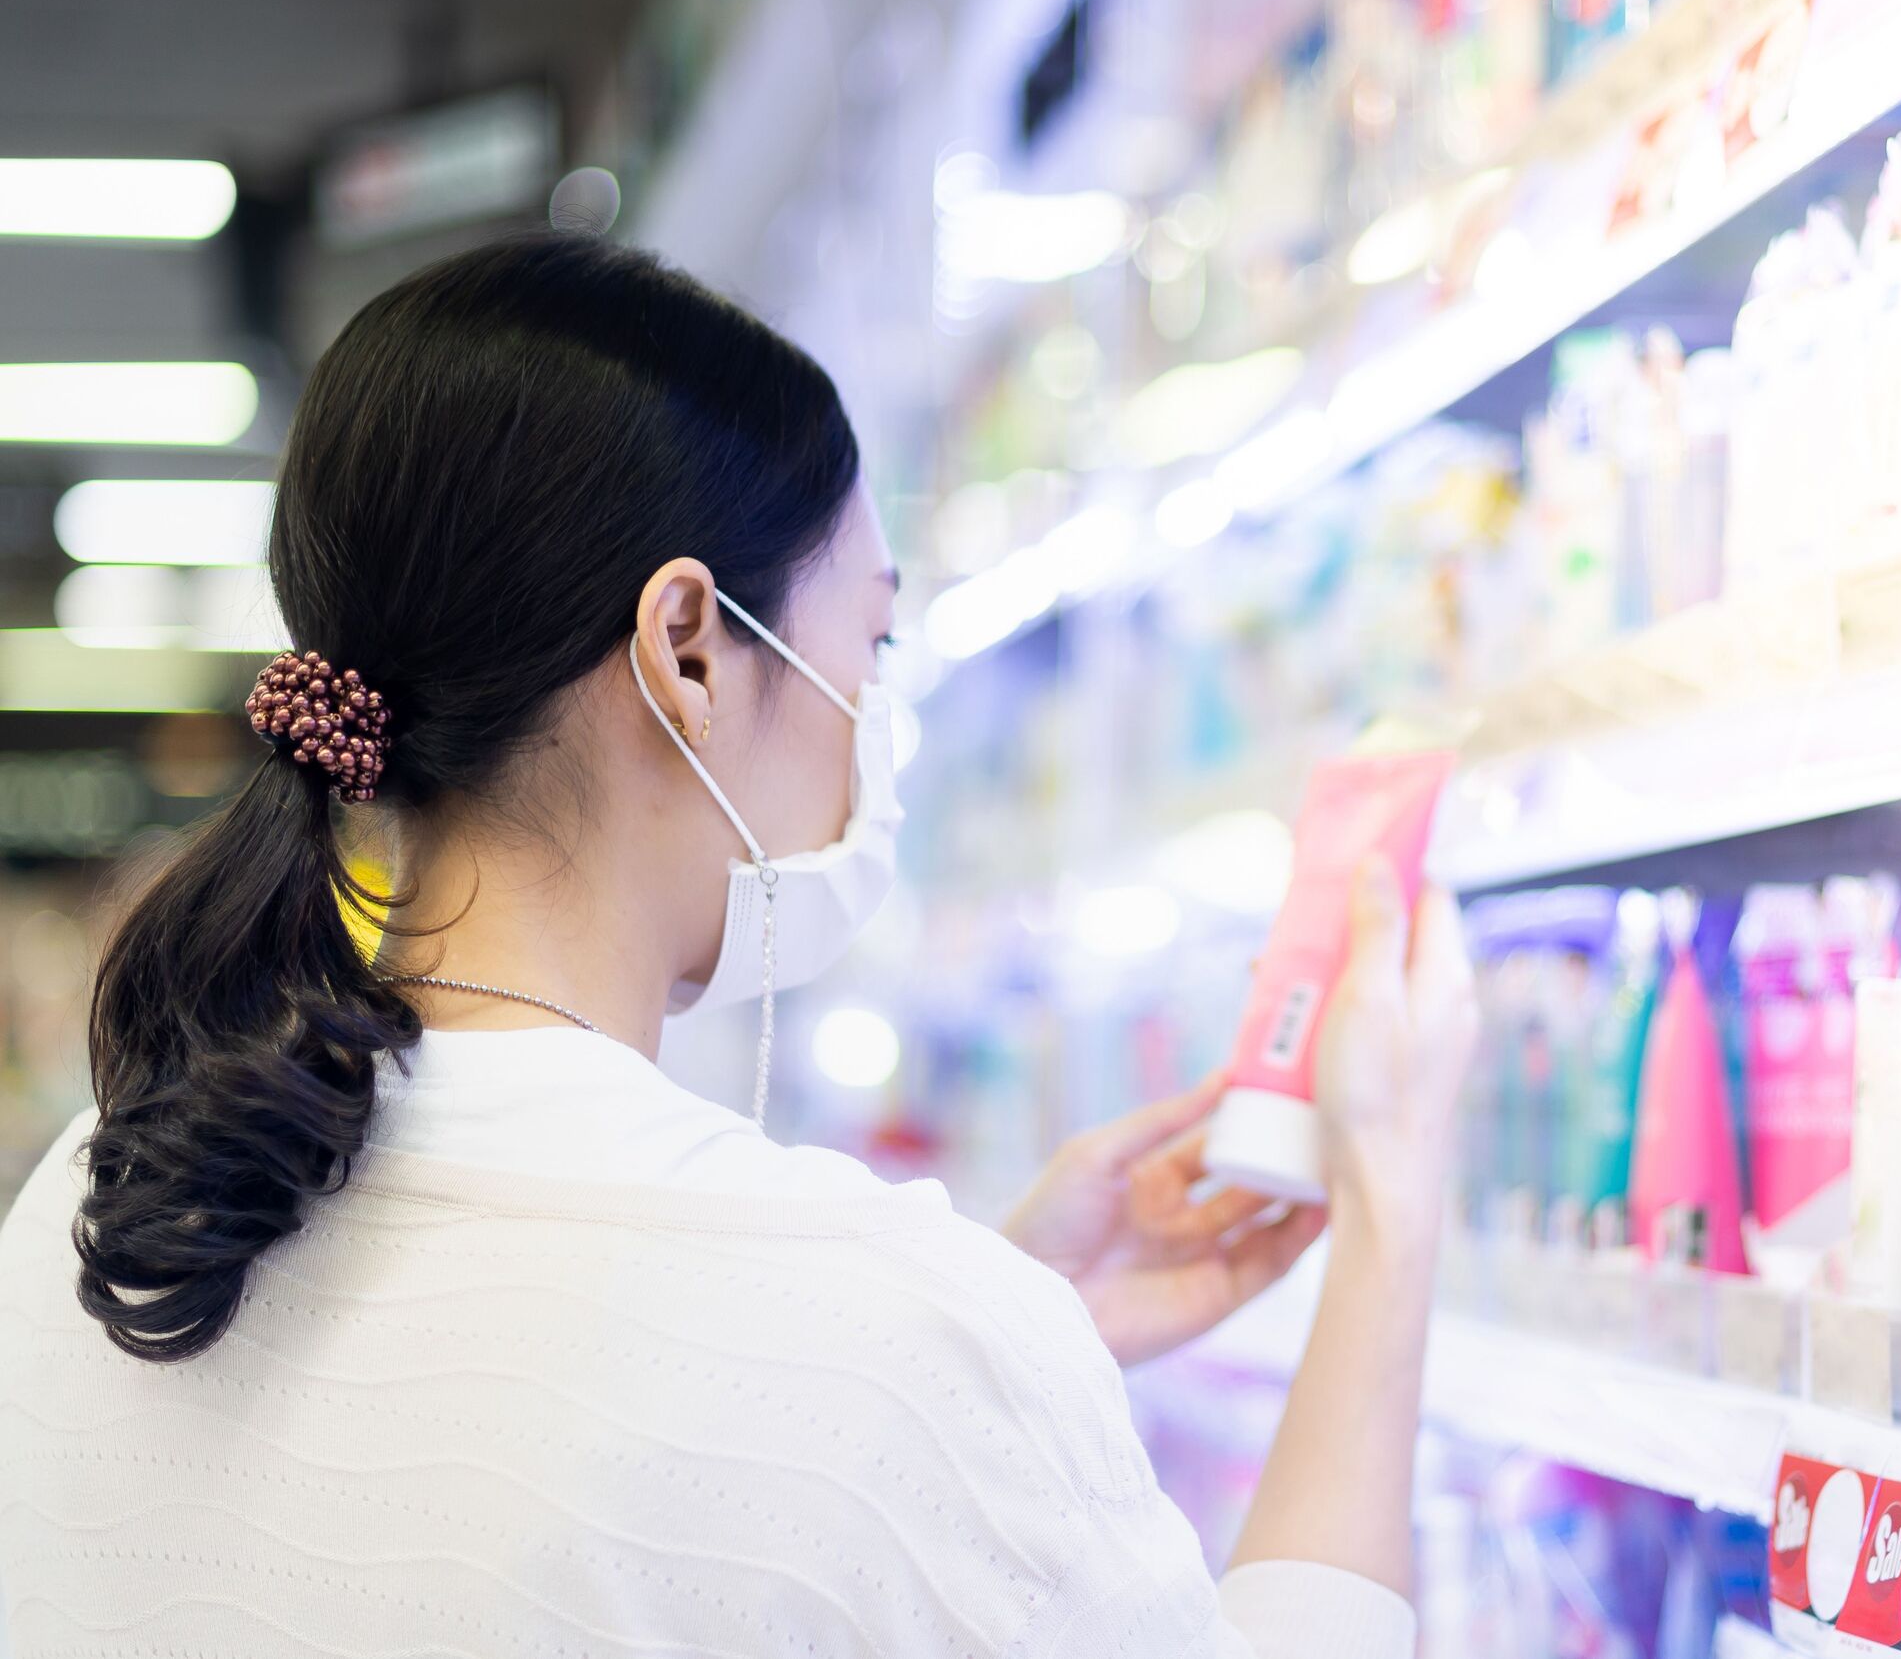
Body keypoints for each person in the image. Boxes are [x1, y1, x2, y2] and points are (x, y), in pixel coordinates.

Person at [0, 233, 1477, 1655]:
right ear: (690, 648)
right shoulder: (881, 1331)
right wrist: (1391, 1207)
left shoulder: (105, 1200)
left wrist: (1009, 1345)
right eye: (873, 648)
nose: (873, 726)